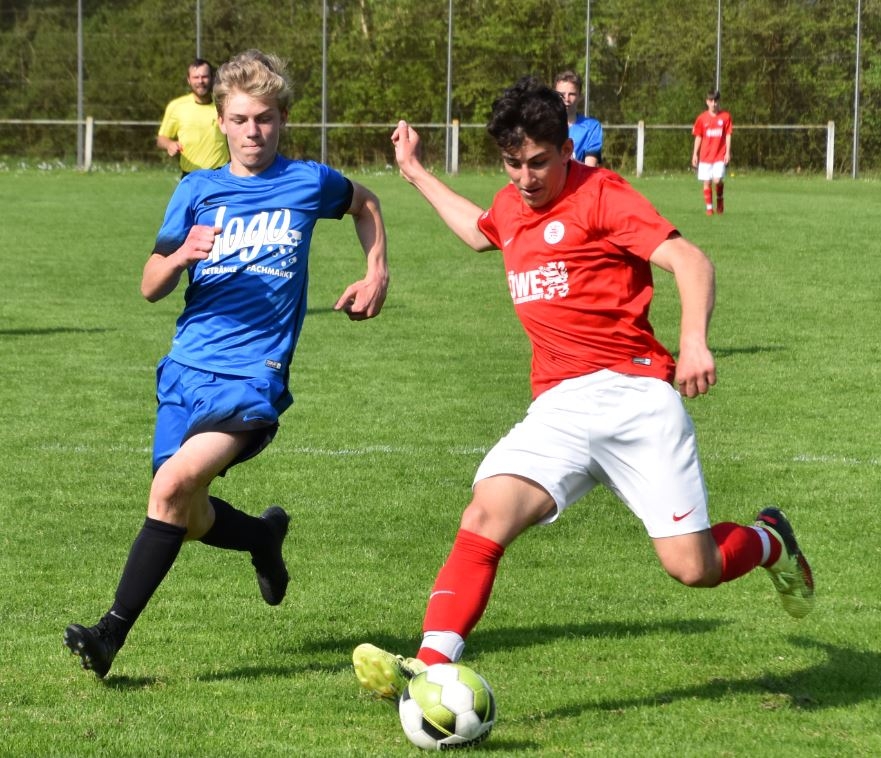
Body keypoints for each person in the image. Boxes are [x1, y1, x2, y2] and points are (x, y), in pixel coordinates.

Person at [352, 77, 813, 702]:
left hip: (635, 400)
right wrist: (414, 172)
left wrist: (695, 342)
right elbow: (479, 230)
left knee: (693, 567)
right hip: (560, 408)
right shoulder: (511, 205)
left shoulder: (603, 196)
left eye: (539, 162)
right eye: (513, 163)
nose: (525, 177)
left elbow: (690, 260)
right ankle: (429, 670)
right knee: (485, 515)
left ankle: (769, 540)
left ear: (567, 149)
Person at [64, 49, 389, 679]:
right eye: (239, 119)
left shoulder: (309, 182)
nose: (252, 132)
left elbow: (366, 204)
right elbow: (150, 285)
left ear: (283, 119)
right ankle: (262, 538)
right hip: (186, 369)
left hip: (254, 375)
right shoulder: (196, 190)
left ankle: (108, 636)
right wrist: (180, 254)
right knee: (184, 514)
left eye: (264, 119)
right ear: (221, 120)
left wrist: (376, 271)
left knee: (170, 489)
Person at [156, 58, 230, 175]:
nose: (200, 81)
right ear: (189, 80)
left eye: (205, 77)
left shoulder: (224, 105)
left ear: (212, 78)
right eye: (196, 77)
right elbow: (161, 139)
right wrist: (170, 144)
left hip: (220, 174)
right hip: (190, 175)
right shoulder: (176, 106)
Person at [691, 89, 733, 215]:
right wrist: (695, 154)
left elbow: (728, 135)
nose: (714, 103)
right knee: (707, 181)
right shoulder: (702, 118)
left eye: (716, 101)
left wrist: (727, 152)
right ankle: (709, 209)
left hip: (719, 155)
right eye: (711, 101)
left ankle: (720, 199)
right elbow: (698, 136)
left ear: (718, 102)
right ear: (707, 102)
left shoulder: (725, 117)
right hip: (705, 156)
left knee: (717, 180)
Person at [553, 69, 603, 166]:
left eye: (572, 94)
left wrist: (567, 161)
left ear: (580, 96)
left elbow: (589, 168)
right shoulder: (543, 125)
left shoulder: (591, 127)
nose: (566, 99)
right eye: (561, 95)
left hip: (578, 176)